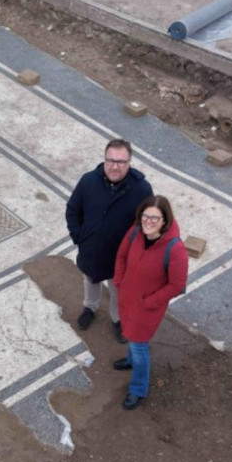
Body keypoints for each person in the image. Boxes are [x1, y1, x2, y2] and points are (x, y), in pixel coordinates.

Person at [65, 138, 153, 343]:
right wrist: (79, 237)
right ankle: (90, 307)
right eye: (111, 160)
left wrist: (136, 254)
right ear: (104, 160)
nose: (115, 166)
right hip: (91, 250)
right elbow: (73, 210)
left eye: (121, 162)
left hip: (120, 257)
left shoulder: (141, 189)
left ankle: (118, 319)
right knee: (90, 280)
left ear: (129, 163)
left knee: (118, 289)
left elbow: (148, 225)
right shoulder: (88, 181)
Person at [112, 195, 188, 410]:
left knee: (139, 346)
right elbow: (121, 255)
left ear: (165, 220)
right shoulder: (135, 231)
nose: (148, 221)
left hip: (147, 308)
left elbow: (177, 285)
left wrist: (149, 302)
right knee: (129, 333)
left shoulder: (175, 249)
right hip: (127, 298)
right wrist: (119, 280)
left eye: (155, 218)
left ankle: (138, 389)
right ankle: (129, 360)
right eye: (146, 216)